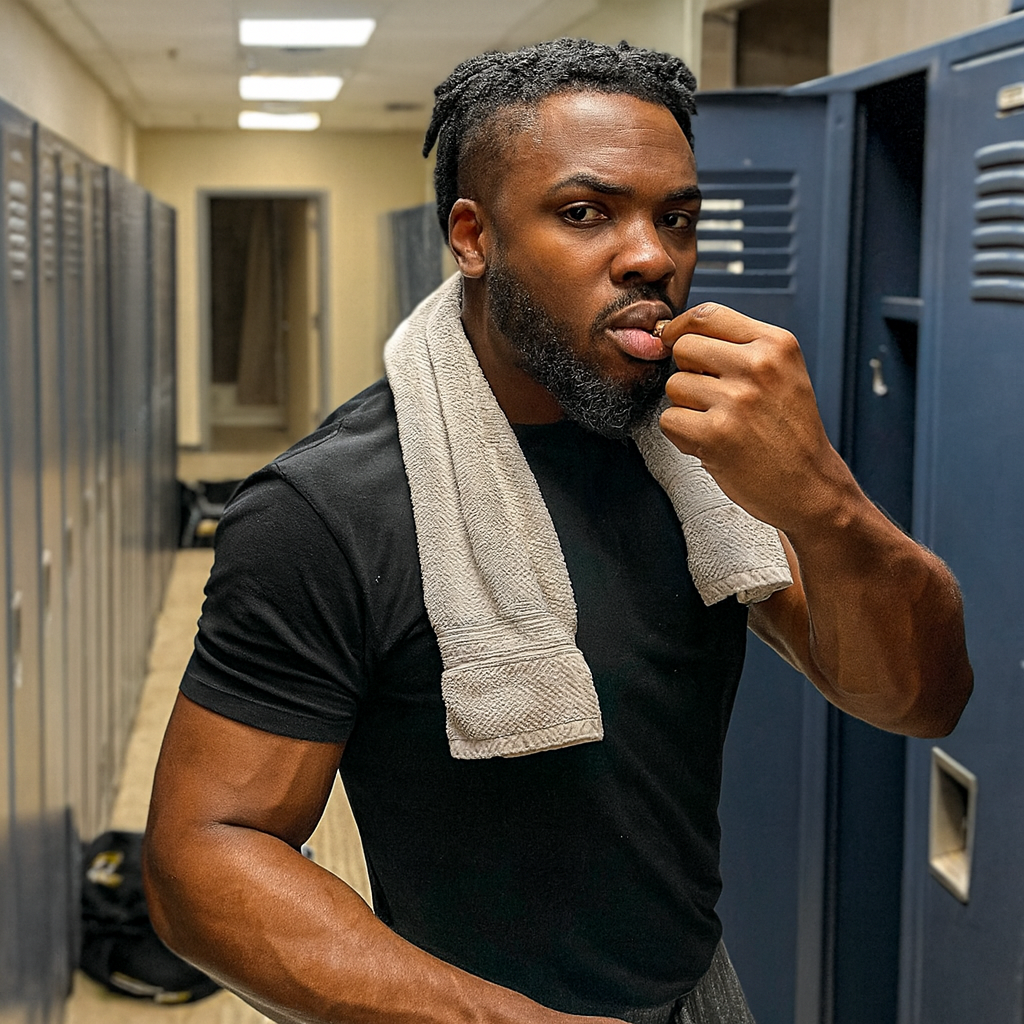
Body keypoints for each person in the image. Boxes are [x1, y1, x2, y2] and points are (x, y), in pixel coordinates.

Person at [142, 39, 972, 1024]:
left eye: (676, 218)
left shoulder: (708, 453)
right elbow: (204, 853)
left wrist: (823, 497)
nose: (652, 256)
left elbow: (917, 698)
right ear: (472, 235)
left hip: (702, 991)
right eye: (586, 213)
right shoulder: (326, 509)